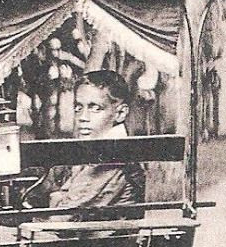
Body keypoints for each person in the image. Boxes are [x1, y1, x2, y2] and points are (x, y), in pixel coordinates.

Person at [26, 69, 146, 216]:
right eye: (78, 108)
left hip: (104, 237)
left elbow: (63, 216)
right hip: (90, 233)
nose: (83, 117)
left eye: (95, 108)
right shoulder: (97, 149)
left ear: (120, 113)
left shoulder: (112, 154)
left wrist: (56, 198)